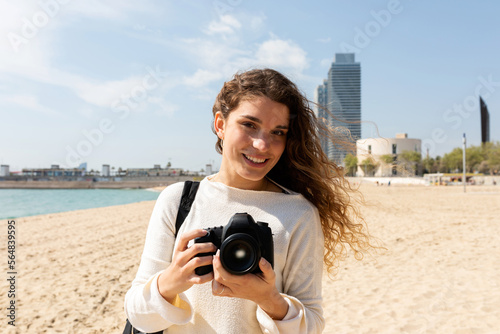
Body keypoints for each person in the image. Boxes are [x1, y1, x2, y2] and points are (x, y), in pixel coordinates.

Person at [124, 68, 372, 333]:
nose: (263, 145)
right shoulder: (178, 201)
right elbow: (138, 316)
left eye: (278, 132)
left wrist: (267, 298)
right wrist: (170, 282)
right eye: (249, 125)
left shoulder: (299, 213)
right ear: (220, 124)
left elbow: (311, 325)